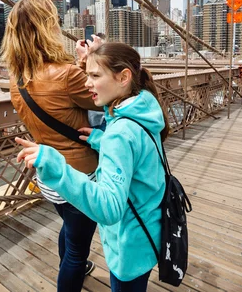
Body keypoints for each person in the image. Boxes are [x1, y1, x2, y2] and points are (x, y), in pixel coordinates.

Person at [16, 42, 169, 292]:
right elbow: (136, 150)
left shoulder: (119, 134)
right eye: (87, 74)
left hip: (127, 245)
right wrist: (101, 139)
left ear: (124, 78)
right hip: (148, 229)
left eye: (95, 75)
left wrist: (55, 164)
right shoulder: (143, 108)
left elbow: (109, 209)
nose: (87, 83)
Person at [1, 0, 101, 291]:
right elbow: (105, 98)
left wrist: (80, 63)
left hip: (49, 175)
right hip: (79, 176)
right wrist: (93, 59)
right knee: (76, 252)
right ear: (47, 29)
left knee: (70, 232)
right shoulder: (67, 75)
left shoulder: (17, 81)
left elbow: (61, 101)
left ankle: (72, 269)